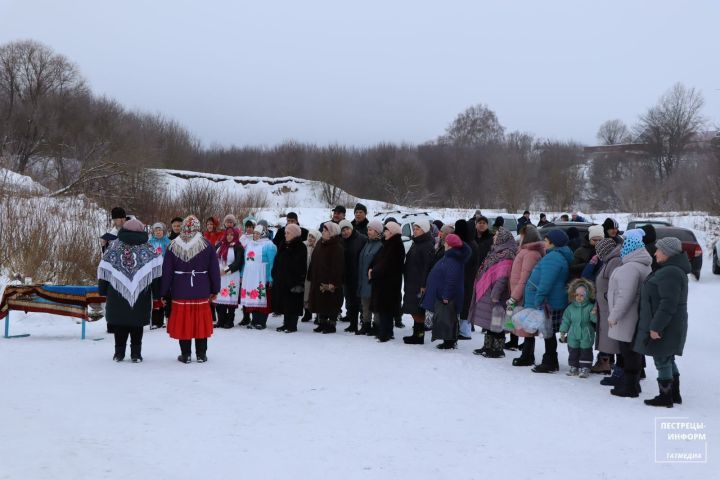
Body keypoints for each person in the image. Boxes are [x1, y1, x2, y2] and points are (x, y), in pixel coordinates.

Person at [634, 237, 690, 408]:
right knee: (668, 358)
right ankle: (674, 394)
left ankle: (665, 397)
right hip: (669, 323)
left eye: (658, 250)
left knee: (662, 359)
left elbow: (668, 303)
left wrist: (656, 327)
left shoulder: (670, 272)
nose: (655, 252)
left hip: (666, 325)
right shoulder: (669, 269)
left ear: (667, 253)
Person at [98, 218, 163, 362]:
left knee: (120, 323)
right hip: (141, 293)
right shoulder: (149, 248)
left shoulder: (114, 247)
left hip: (117, 292)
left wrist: (102, 290)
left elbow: (104, 270)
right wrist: (157, 294)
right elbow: (156, 273)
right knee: (137, 324)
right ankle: (136, 354)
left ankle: (119, 353)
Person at [161, 215, 221, 363]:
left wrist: (163, 292)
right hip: (201, 289)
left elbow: (166, 272)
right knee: (200, 321)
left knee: (184, 323)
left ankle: (186, 354)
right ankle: (201, 354)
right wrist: (215, 289)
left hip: (180, 290)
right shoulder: (206, 245)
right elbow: (214, 270)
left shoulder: (173, 246)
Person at [606, 230, 652, 398]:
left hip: (626, 318)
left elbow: (625, 296)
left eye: (625, 245)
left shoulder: (630, 268)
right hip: (634, 316)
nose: (622, 248)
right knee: (632, 351)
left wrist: (613, 316)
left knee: (628, 352)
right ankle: (632, 384)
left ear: (631, 249)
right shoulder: (642, 265)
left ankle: (630, 387)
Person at [523, 229, 573, 373]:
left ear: (553, 242)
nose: (544, 243)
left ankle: (550, 362)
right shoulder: (557, 256)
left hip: (548, 302)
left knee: (548, 333)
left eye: (546, 240)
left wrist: (538, 299)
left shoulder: (553, 258)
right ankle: (551, 360)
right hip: (552, 301)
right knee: (548, 333)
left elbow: (546, 282)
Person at [469, 227, 518, 358]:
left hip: (497, 294)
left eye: (497, 235)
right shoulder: (496, 251)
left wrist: (496, 294)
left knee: (498, 322)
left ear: (503, 238)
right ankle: (488, 346)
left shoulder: (507, 253)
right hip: (489, 290)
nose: (494, 237)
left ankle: (497, 349)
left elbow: (503, 277)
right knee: (490, 321)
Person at [422, 233, 471, 349]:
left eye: (446, 242)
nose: (444, 243)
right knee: (446, 317)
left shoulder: (454, 259)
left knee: (448, 318)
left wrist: (446, 296)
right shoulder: (450, 256)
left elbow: (452, 279)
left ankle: (449, 342)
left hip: (447, 296)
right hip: (442, 293)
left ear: (450, 245)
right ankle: (447, 340)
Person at [506, 225, 546, 358]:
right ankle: (526, 352)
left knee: (527, 326)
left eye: (522, 235)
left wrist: (514, 296)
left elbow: (525, 278)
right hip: (520, 293)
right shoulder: (526, 251)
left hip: (524, 295)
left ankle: (528, 356)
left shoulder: (531, 254)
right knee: (522, 325)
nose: (520, 237)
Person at [369, 221, 405, 342]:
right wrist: (372, 268)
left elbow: (387, 264)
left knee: (386, 308)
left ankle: (385, 332)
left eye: (386, 230)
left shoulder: (395, 245)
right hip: (385, 281)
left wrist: (374, 272)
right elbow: (379, 260)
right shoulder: (388, 244)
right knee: (385, 308)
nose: (384, 233)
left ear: (392, 232)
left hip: (389, 282)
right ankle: (386, 331)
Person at [592, 238, 623, 379]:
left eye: (598, 251)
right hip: (605, 305)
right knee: (607, 335)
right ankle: (606, 362)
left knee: (610, 336)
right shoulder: (610, 260)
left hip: (609, 306)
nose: (597, 255)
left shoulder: (614, 261)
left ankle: (606, 363)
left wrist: (605, 296)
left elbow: (615, 285)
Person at [401, 219, 435, 345]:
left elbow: (427, 266)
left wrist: (423, 284)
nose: (415, 230)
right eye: (414, 228)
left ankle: (419, 336)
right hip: (412, 281)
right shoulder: (417, 243)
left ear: (425, 230)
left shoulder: (427, 245)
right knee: (415, 310)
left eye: (418, 228)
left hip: (419, 284)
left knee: (418, 311)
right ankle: (416, 334)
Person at [308, 222, 345, 334]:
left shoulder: (337, 247)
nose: (323, 232)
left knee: (331, 302)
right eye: (323, 230)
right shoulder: (320, 243)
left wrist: (333, 282)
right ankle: (322, 323)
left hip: (330, 281)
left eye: (325, 230)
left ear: (332, 233)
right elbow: (314, 260)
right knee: (320, 301)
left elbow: (338, 267)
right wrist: (311, 274)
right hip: (318, 278)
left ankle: (331, 324)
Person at [240, 224, 277, 329]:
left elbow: (272, 263)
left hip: (262, 276)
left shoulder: (269, 245)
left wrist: (271, 277)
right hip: (250, 276)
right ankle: (254, 320)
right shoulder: (249, 244)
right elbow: (245, 262)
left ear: (263, 234)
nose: (255, 235)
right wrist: (242, 275)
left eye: (258, 233)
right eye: (254, 233)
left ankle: (261, 321)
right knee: (252, 297)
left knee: (261, 298)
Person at [272, 223, 308, 333]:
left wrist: (297, 281)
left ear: (294, 234)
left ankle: (292, 325)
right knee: (284, 302)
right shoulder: (283, 244)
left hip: (294, 280)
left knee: (293, 303)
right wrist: (274, 273)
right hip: (282, 279)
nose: (286, 235)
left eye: (288, 233)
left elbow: (300, 265)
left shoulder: (300, 246)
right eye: (285, 233)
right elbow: (277, 260)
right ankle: (285, 323)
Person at [559, 279, 597, 377]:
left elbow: (594, 320)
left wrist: (594, 314)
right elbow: (566, 320)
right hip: (573, 333)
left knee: (586, 351)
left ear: (587, 295)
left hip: (586, 332)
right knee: (573, 350)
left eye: (582, 295)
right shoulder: (571, 308)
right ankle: (574, 366)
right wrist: (563, 331)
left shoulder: (590, 307)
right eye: (577, 295)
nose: (579, 297)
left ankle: (585, 368)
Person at [339, 219, 367, 332]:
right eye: (343, 230)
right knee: (350, 302)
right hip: (346, 276)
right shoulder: (341, 241)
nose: (345, 232)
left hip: (359, 276)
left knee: (361, 302)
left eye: (347, 229)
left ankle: (365, 324)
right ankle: (353, 324)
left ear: (351, 228)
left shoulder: (362, 239)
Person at [214, 227, 245, 329]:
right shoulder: (220, 245)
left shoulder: (238, 247)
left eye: (231, 235)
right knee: (220, 299)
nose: (229, 237)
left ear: (235, 236)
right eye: (227, 235)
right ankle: (221, 320)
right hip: (220, 276)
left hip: (231, 275)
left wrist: (225, 270)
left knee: (230, 298)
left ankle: (230, 321)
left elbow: (238, 263)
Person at [357, 220, 384, 335]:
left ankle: (376, 325)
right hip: (364, 279)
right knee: (365, 304)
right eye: (368, 229)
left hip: (374, 281)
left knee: (376, 303)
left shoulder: (381, 245)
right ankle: (366, 324)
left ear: (377, 231)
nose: (368, 232)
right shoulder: (367, 243)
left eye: (371, 230)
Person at [456, 219, 480, 340]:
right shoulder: (472, 242)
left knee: (465, 303)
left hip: (466, 278)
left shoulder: (467, 245)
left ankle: (465, 331)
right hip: (469, 277)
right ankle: (464, 328)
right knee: (466, 302)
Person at [149, 222, 171, 329]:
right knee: (155, 294)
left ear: (163, 231)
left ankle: (164, 318)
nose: (158, 232)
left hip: (164, 271)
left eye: (160, 230)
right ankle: (155, 320)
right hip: (154, 272)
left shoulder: (168, 242)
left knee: (164, 294)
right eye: (156, 230)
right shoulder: (149, 242)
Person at [301, 229, 321, 323]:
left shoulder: (320, 247)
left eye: (313, 237)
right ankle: (307, 313)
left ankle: (318, 315)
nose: (310, 238)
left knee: (316, 294)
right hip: (305, 274)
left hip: (316, 274)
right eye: (309, 236)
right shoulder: (304, 246)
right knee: (306, 293)